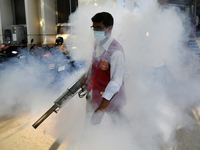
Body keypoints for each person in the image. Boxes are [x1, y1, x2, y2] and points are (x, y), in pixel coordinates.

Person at [84, 12, 127, 125]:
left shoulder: (116, 51)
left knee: (119, 126)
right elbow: (94, 63)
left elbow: (116, 82)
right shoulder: (97, 43)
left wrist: (102, 109)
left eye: (99, 28)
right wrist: (87, 76)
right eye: (94, 28)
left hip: (111, 100)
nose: (96, 31)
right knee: (90, 125)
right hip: (94, 95)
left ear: (110, 27)